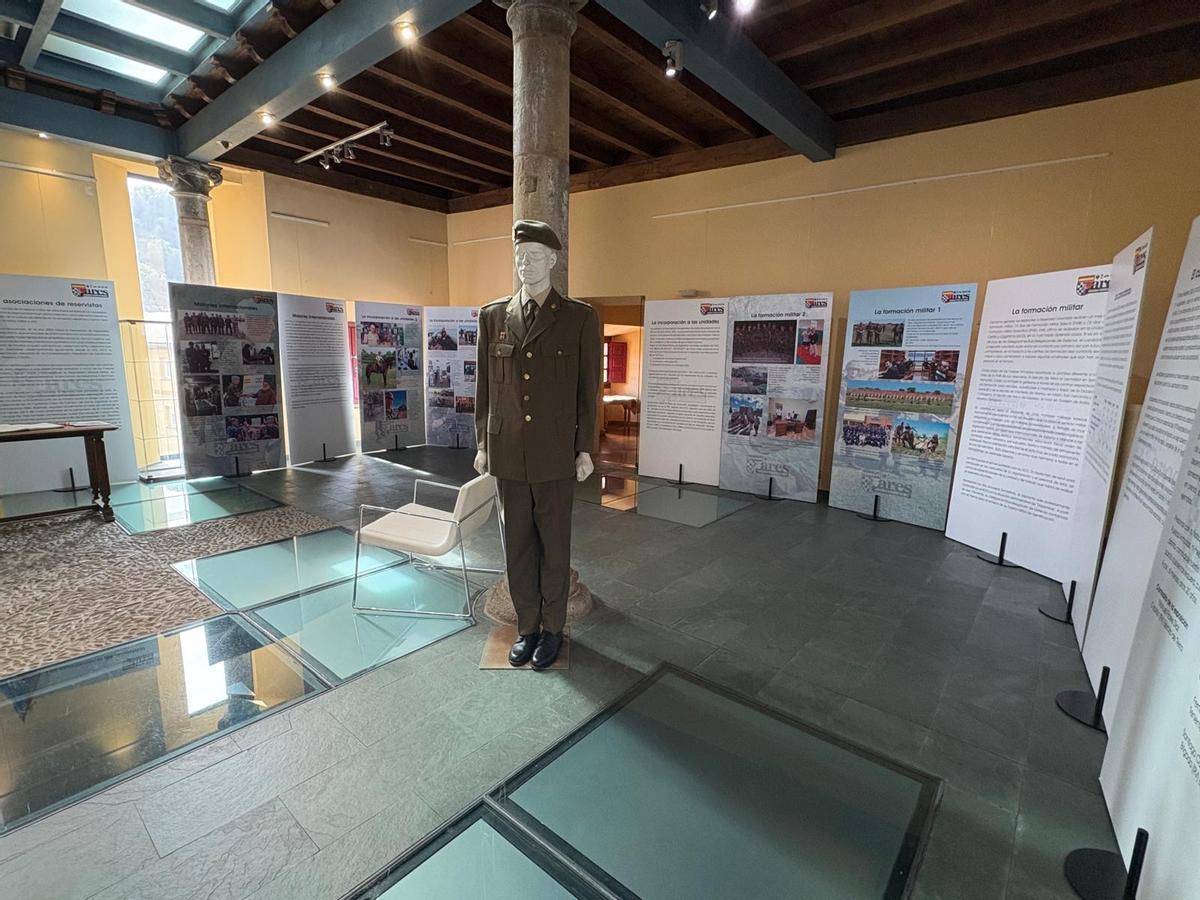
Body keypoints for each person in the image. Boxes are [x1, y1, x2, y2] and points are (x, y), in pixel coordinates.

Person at [474, 220, 601, 670]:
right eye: (519, 256)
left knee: (554, 545)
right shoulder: (493, 316)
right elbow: (485, 389)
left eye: (533, 256)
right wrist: (483, 445)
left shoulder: (578, 318)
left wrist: (584, 448)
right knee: (518, 547)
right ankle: (527, 628)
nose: (524, 264)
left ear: (552, 260)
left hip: (555, 453)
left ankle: (552, 629)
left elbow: (588, 389)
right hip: (508, 452)